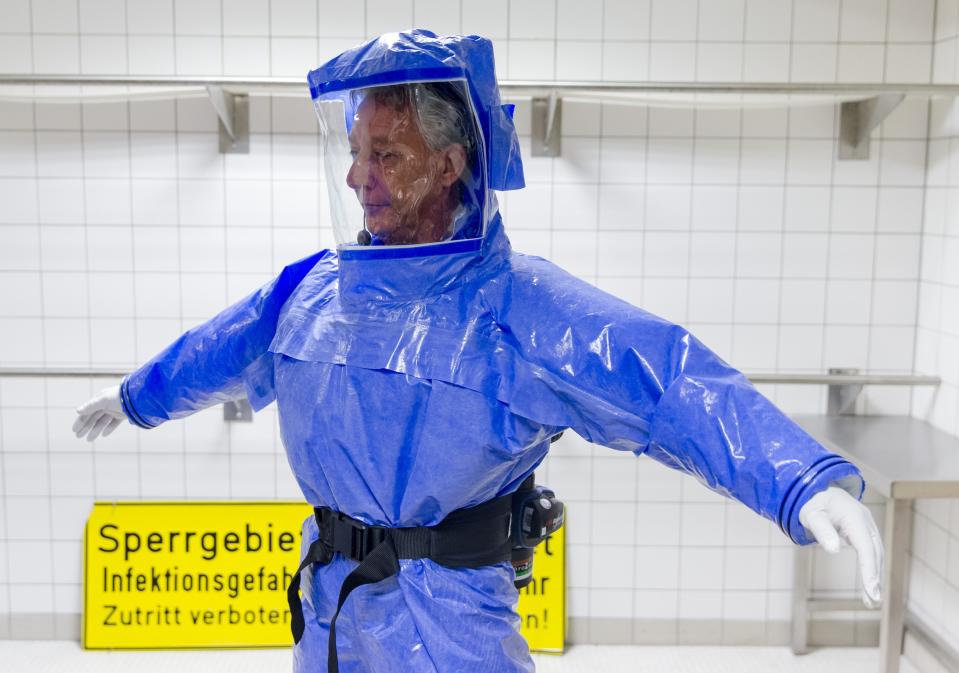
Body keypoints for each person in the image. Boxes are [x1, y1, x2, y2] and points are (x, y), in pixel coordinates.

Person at [75, 29, 883, 673]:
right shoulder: (312, 292)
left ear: (450, 163)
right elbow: (217, 350)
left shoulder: (517, 308)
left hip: (451, 620)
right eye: (353, 152)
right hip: (330, 602)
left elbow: (665, 382)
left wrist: (799, 480)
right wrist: (137, 396)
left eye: (385, 153)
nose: (358, 177)